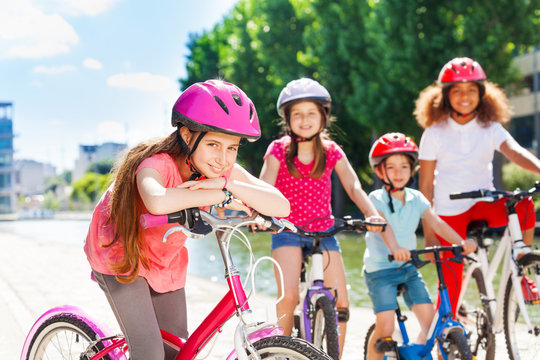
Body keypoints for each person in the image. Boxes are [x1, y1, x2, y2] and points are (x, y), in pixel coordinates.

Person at [84, 80, 291, 360]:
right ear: (187, 135)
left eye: (233, 148)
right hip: (122, 255)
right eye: (214, 144)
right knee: (149, 353)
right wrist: (219, 193)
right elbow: (157, 201)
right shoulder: (155, 164)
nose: (223, 158)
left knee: (176, 352)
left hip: (164, 259)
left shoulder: (219, 170)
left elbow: (282, 205)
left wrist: (226, 185)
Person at [258, 77, 385, 355]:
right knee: (289, 295)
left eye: (311, 113)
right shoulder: (278, 149)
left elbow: (353, 185)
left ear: (323, 117)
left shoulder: (331, 150)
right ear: (287, 118)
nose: (305, 120)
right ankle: (284, 350)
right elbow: (264, 185)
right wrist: (260, 214)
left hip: (323, 232)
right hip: (286, 230)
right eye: (298, 114)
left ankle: (332, 356)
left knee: (341, 304)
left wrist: (371, 213)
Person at [415, 57, 540, 315]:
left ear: (482, 95)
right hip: (449, 215)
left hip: (485, 204)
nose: (465, 96)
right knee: (450, 286)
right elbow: (425, 185)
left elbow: (515, 152)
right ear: (445, 95)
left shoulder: (491, 128)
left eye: (472, 90)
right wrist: (428, 234)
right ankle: (446, 346)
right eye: (457, 90)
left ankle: (521, 267)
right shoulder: (434, 133)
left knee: (524, 205)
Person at [364, 132, 476, 360]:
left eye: (404, 166)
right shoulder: (376, 198)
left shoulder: (417, 198)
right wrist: (395, 248)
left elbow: (437, 223)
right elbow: (384, 226)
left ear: (413, 169)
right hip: (380, 270)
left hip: (408, 268)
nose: (398, 173)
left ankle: (414, 351)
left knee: (432, 324)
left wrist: (460, 242)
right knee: (385, 327)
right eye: (391, 167)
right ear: (379, 171)